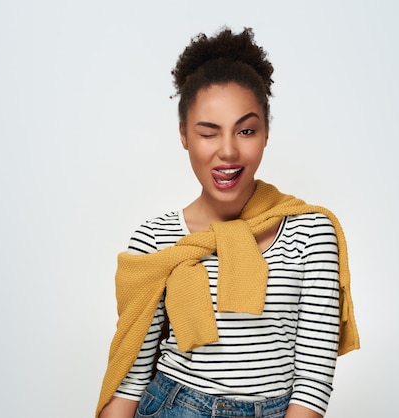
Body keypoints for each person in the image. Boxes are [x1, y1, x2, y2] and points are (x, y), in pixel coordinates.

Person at [96, 27, 359, 418]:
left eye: (246, 130)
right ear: (185, 134)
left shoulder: (311, 231)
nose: (228, 151)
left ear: (266, 133)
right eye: (208, 132)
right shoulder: (155, 239)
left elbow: (313, 382)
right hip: (173, 407)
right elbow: (131, 376)